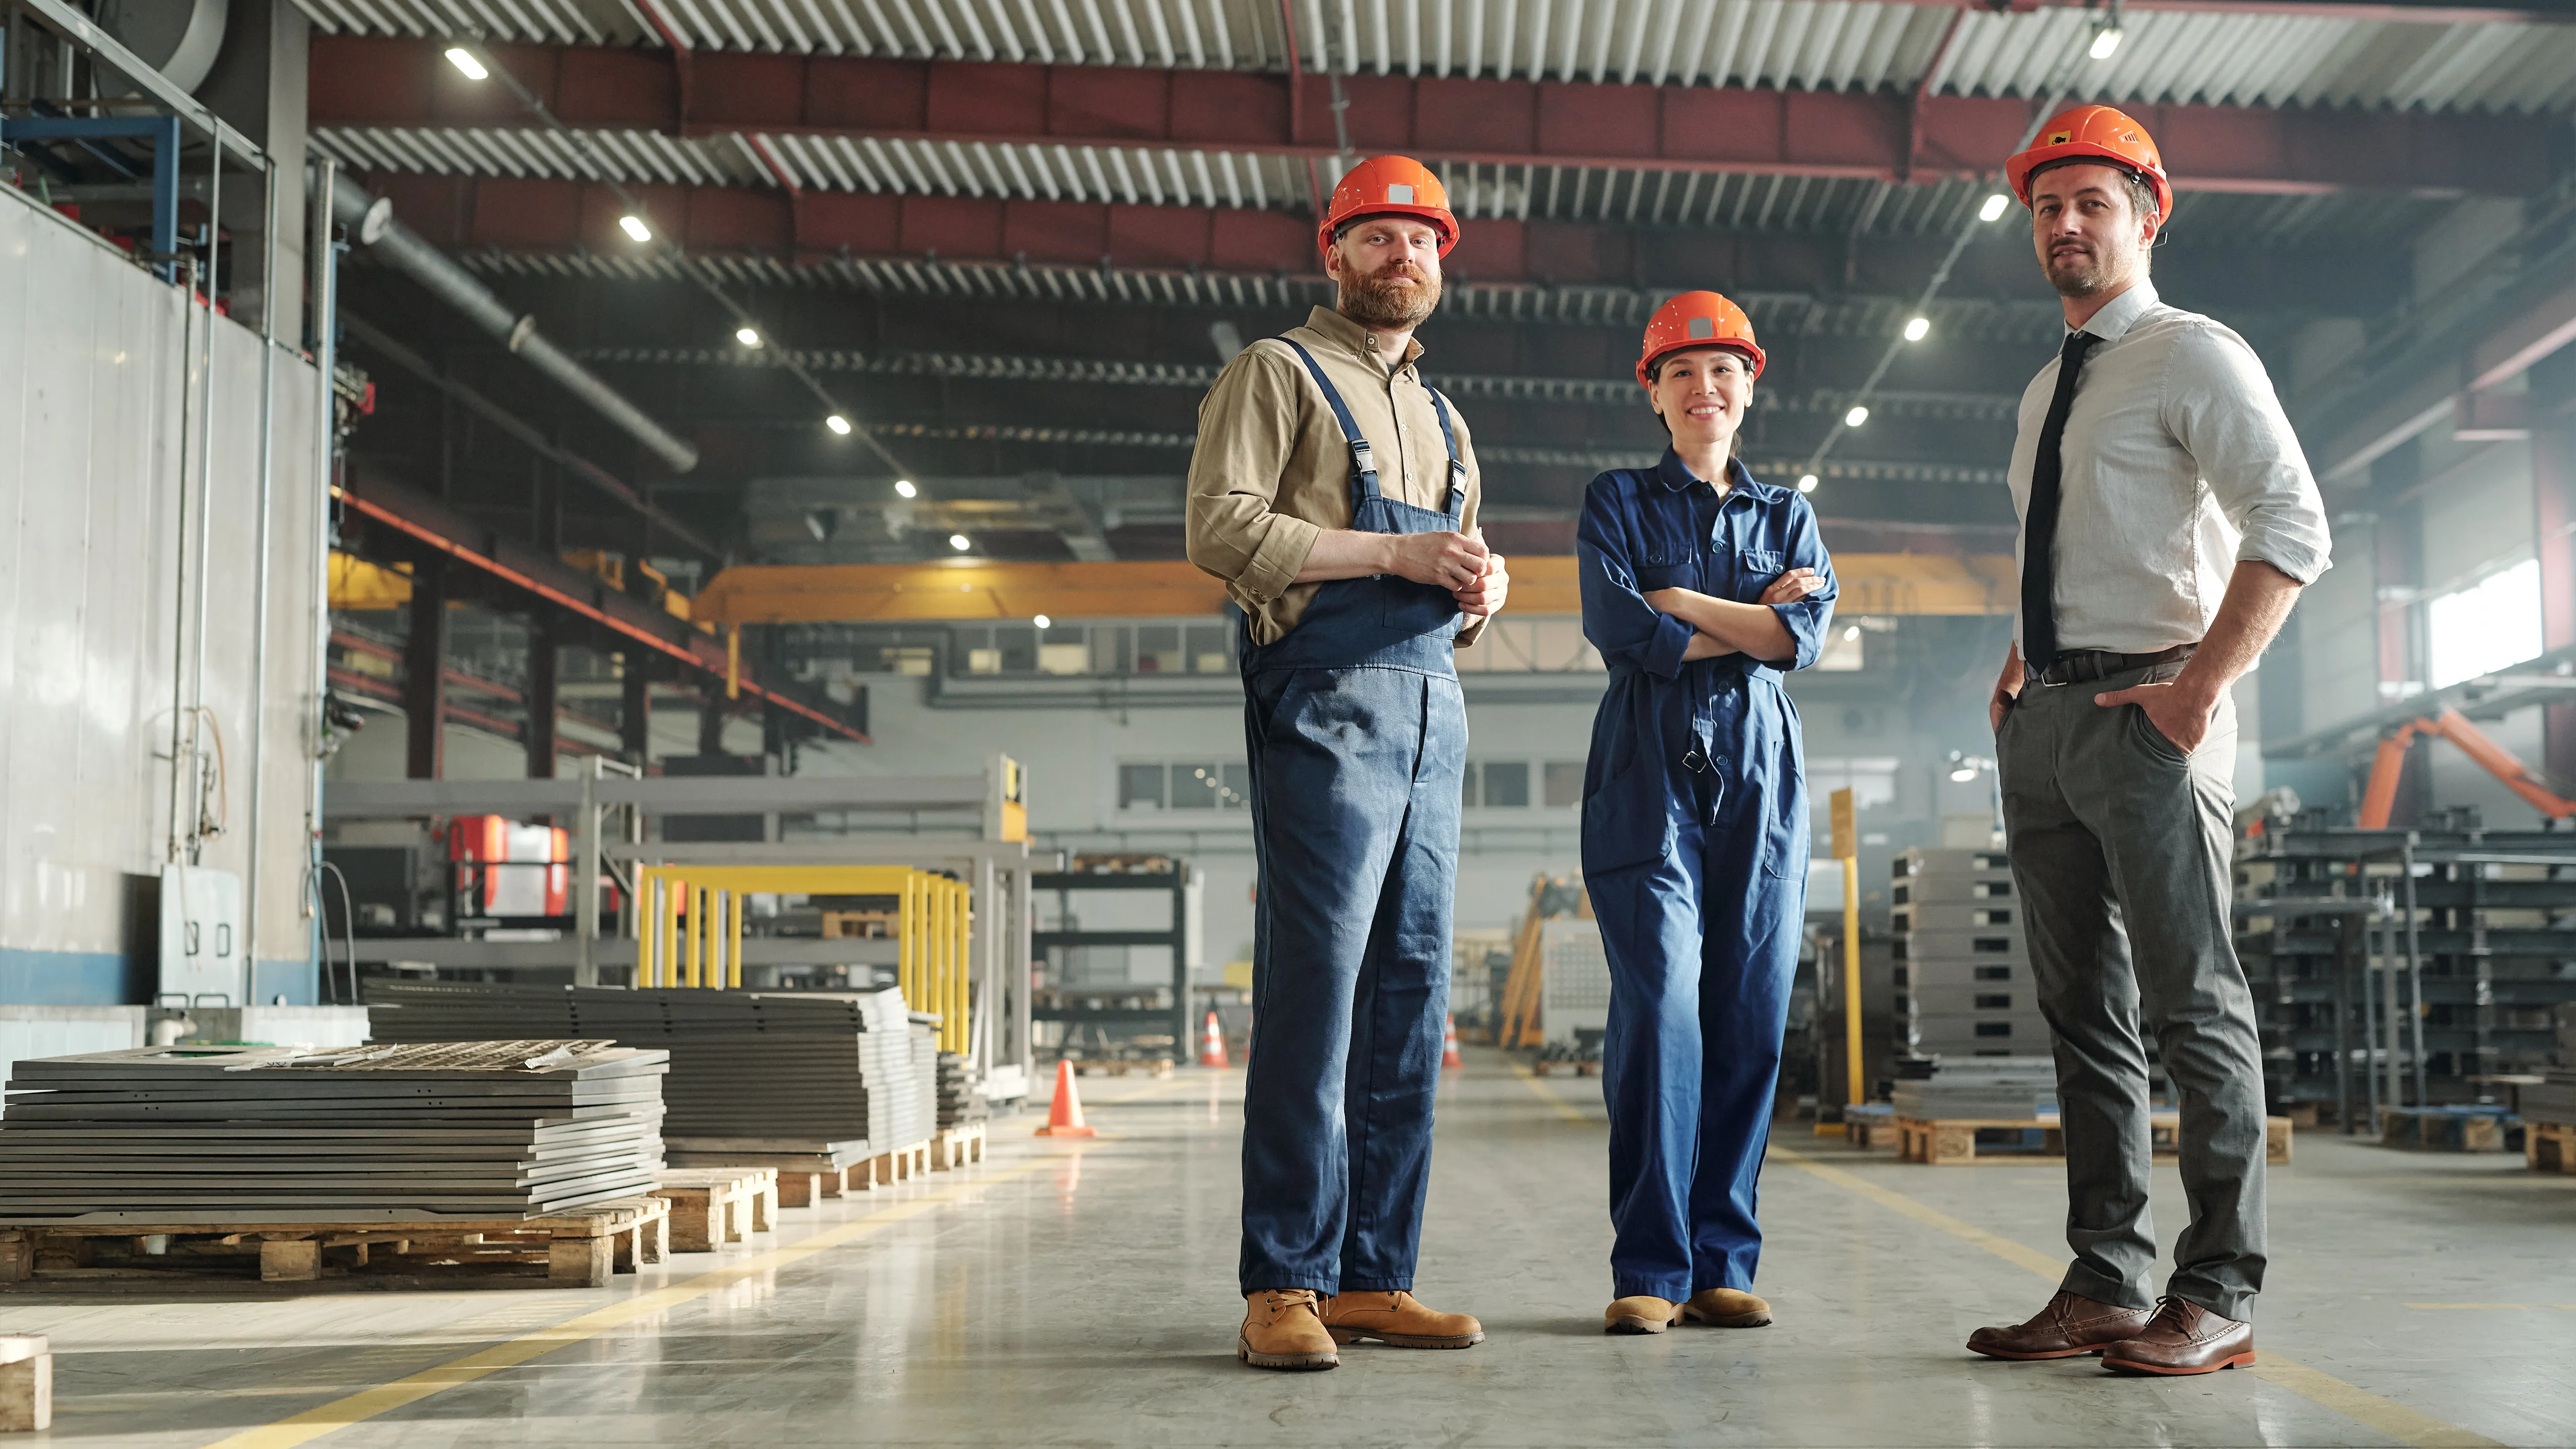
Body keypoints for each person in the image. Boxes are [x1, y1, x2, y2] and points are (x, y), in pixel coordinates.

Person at [1965, 106, 2331, 1377]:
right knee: (2082, 1016)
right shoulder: (2040, 390)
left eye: (2093, 205)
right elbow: (2057, 545)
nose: (2065, 225)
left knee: (2192, 1005)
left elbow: (2291, 528)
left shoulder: (2191, 355)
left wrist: (2194, 695)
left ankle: (2218, 1286)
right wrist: (2020, 663)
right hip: (2050, 720)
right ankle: (2108, 1277)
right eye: (2047, 206)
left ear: (2148, 215)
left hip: (2153, 718)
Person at [1183, 155, 1510, 1373]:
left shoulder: (1442, 414)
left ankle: (1374, 1273)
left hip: (1434, 707)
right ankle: (1284, 1278)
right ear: (1335, 252)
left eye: (1420, 240)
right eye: (1377, 237)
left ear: (1441, 260)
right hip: (1325, 700)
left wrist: (1480, 588)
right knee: (1316, 987)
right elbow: (1221, 527)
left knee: (1411, 994)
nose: (1401, 257)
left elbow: (1450, 570)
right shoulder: (1280, 371)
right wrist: (1396, 555)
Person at [1577, 291, 1835, 1336]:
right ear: (1654, 393)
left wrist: (1682, 602)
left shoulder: (1787, 514)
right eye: (1680, 372)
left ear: (1748, 385)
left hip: (1762, 775)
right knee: (1661, 1011)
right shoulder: (1615, 502)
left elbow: (1800, 643)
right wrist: (1750, 616)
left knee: (1747, 1018)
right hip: (1646, 770)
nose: (1703, 387)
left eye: (1722, 369)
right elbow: (1626, 635)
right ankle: (1649, 1266)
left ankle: (1722, 1259)